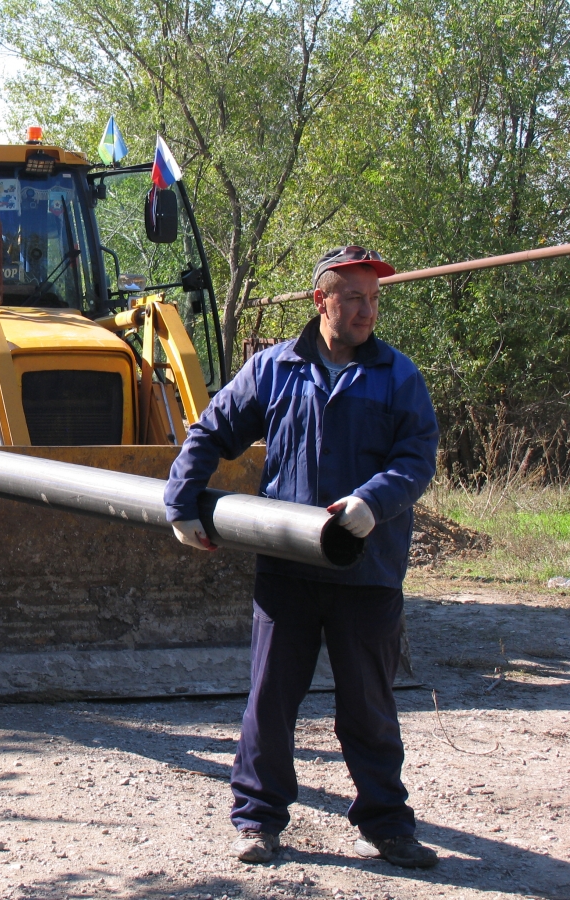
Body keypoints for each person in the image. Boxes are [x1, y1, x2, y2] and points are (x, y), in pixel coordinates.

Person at [164, 246, 440, 869]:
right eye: (354, 298)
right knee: (271, 699)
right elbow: (212, 429)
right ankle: (258, 819)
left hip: (366, 571)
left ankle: (387, 824)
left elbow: (417, 457)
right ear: (321, 301)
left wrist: (373, 502)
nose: (367, 311)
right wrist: (181, 501)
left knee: (369, 705)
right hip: (287, 569)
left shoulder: (398, 377)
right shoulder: (275, 369)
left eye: (373, 300)